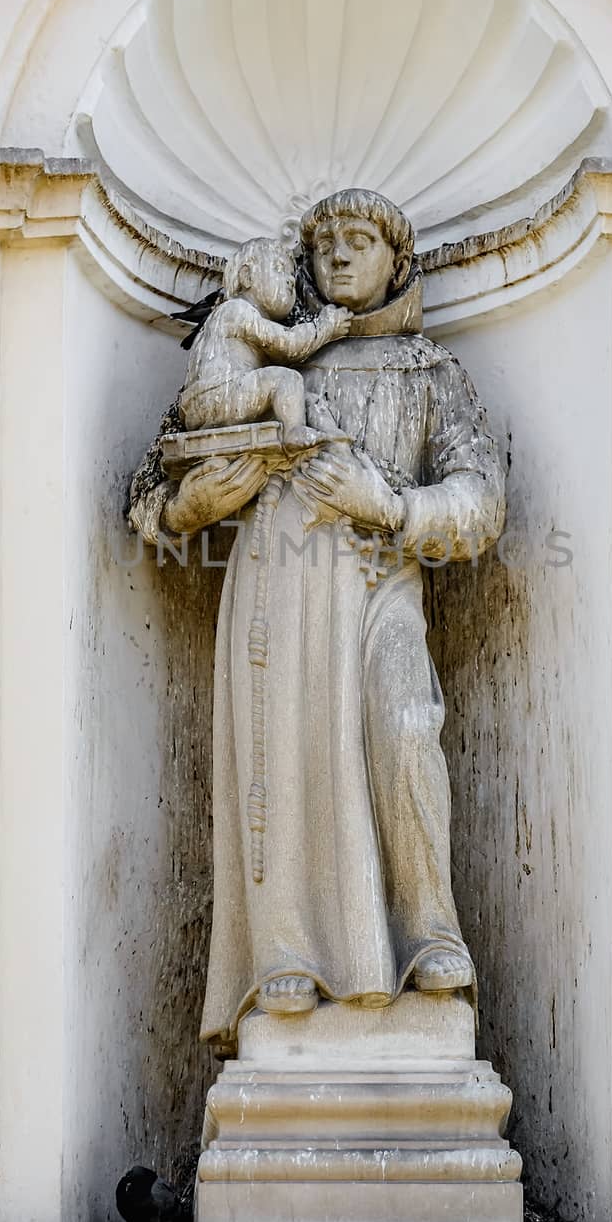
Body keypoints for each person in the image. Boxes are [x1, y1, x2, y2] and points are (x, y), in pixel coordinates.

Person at [129, 189, 505, 1053]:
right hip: (277, 597)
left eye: (361, 239)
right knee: (286, 757)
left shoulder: (430, 374)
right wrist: (196, 504)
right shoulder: (258, 349)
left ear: (397, 260)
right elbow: (151, 490)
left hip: (380, 590)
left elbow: (481, 502)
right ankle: (285, 953)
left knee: (406, 729)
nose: (339, 256)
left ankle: (426, 935)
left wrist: (391, 505)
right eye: (325, 242)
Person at [178, 236, 350, 450]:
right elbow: (288, 344)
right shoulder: (235, 310)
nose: (289, 280)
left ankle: (338, 444)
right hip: (216, 396)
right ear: (247, 276)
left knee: (305, 399)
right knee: (287, 378)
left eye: (292, 276)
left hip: (221, 400)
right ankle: (293, 432)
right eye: (279, 268)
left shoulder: (244, 322)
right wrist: (325, 327)